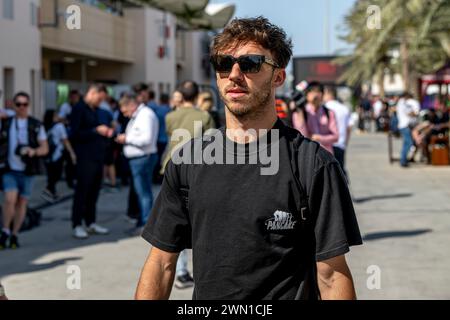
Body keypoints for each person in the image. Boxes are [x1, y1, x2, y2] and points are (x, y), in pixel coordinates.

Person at [135, 16, 362, 300]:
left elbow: (331, 275)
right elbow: (161, 263)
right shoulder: (187, 161)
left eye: (251, 63)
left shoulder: (313, 164)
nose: (234, 74)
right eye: (223, 63)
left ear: (278, 76)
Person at [161, 80, 215, 289]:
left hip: (172, 168)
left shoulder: (170, 116)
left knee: (175, 222)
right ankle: (201, 271)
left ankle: (180, 271)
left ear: (181, 96)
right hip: (197, 172)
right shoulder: (205, 117)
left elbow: (169, 137)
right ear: (197, 96)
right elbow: (212, 146)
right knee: (200, 223)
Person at [0, 92, 49, 249]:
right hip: (10, 168)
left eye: (25, 104)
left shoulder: (35, 124)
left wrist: (33, 151)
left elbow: (45, 148)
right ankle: (5, 230)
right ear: (14, 106)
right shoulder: (7, 123)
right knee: (9, 199)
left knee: (22, 202)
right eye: (18, 104)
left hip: (28, 170)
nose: (22, 108)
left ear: (29, 105)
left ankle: (15, 234)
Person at [69, 84, 113, 239]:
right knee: (82, 191)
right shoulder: (79, 108)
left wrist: (104, 132)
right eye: (99, 99)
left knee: (94, 191)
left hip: (97, 156)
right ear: (93, 93)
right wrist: (95, 131)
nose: (100, 102)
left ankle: (90, 222)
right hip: (85, 158)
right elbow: (74, 134)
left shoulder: (94, 110)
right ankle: (77, 224)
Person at [116, 94, 159, 235]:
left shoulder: (145, 115)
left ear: (131, 105)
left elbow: (146, 139)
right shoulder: (140, 115)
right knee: (142, 192)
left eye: (125, 111)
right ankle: (143, 221)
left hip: (142, 158)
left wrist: (126, 138)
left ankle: (146, 224)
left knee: (143, 193)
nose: (125, 115)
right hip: (140, 158)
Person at [292, 81, 339, 155]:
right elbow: (301, 134)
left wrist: (319, 138)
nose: (316, 95)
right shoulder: (301, 112)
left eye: (318, 92)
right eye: (312, 92)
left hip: (327, 155)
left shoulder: (329, 113)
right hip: (308, 155)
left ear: (322, 94)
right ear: (306, 95)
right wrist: (300, 111)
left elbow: (336, 137)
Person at [41, 110, 77, 202]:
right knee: (56, 174)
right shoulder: (59, 126)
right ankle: (48, 190)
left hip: (46, 154)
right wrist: (72, 153)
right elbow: (65, 141)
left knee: (51, 175)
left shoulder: (44, 126)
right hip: (57, 154)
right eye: (56, 115)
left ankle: (52, 193)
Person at [323, 86, 352, 176]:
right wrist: (345, 143)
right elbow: (349, 127)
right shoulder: (344, 108)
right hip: (340, 144)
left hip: (326, 145)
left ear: (328, 93)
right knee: (340, 172)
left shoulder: (324, 108)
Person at [151, 93, 172, 184]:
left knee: (157, 159)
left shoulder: (157, 110)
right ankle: (161, 177)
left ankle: (155, 177)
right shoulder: (170, 111)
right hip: (167, 138)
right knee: (165, 158)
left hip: (157, 138)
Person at [396, 92, 418, 167]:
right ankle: (403, 161)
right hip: (404, 126)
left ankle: (403, 160)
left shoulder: (402, 103)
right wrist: (415, 113)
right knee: (409, 143)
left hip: (404, 126)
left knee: (406, 143)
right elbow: (408, 113)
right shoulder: (402, 102)